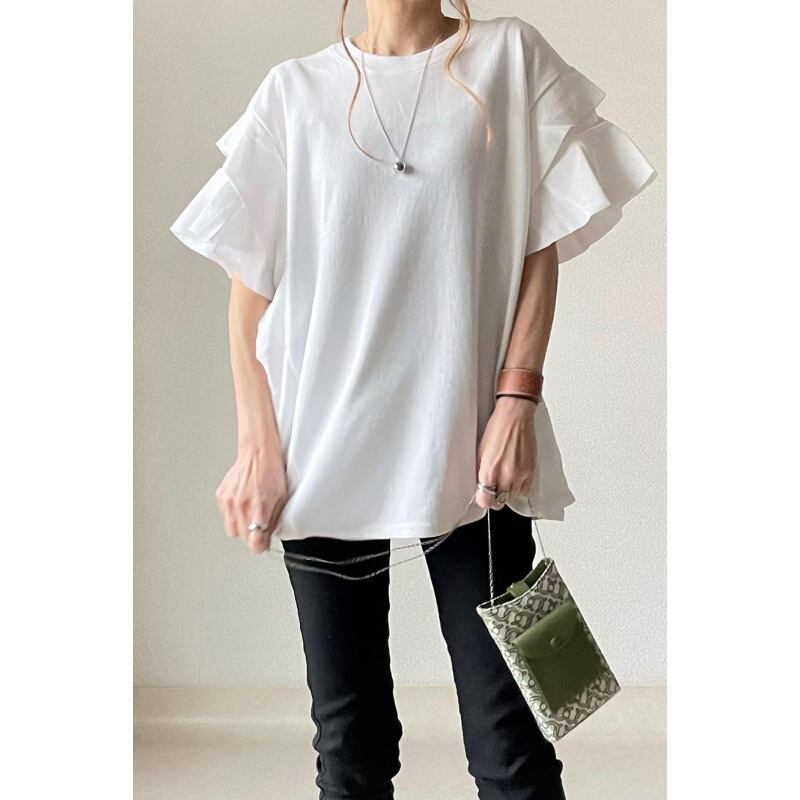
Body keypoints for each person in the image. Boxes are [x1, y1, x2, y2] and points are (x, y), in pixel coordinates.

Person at [171, 2, 655, 798]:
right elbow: (247, 295)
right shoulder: (294, 91)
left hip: (472, 452)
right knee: (350, 752)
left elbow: (540, 242)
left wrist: (518, 398)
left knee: (514, 749)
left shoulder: (509, 57)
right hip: (320, 448)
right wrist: (257, 446)